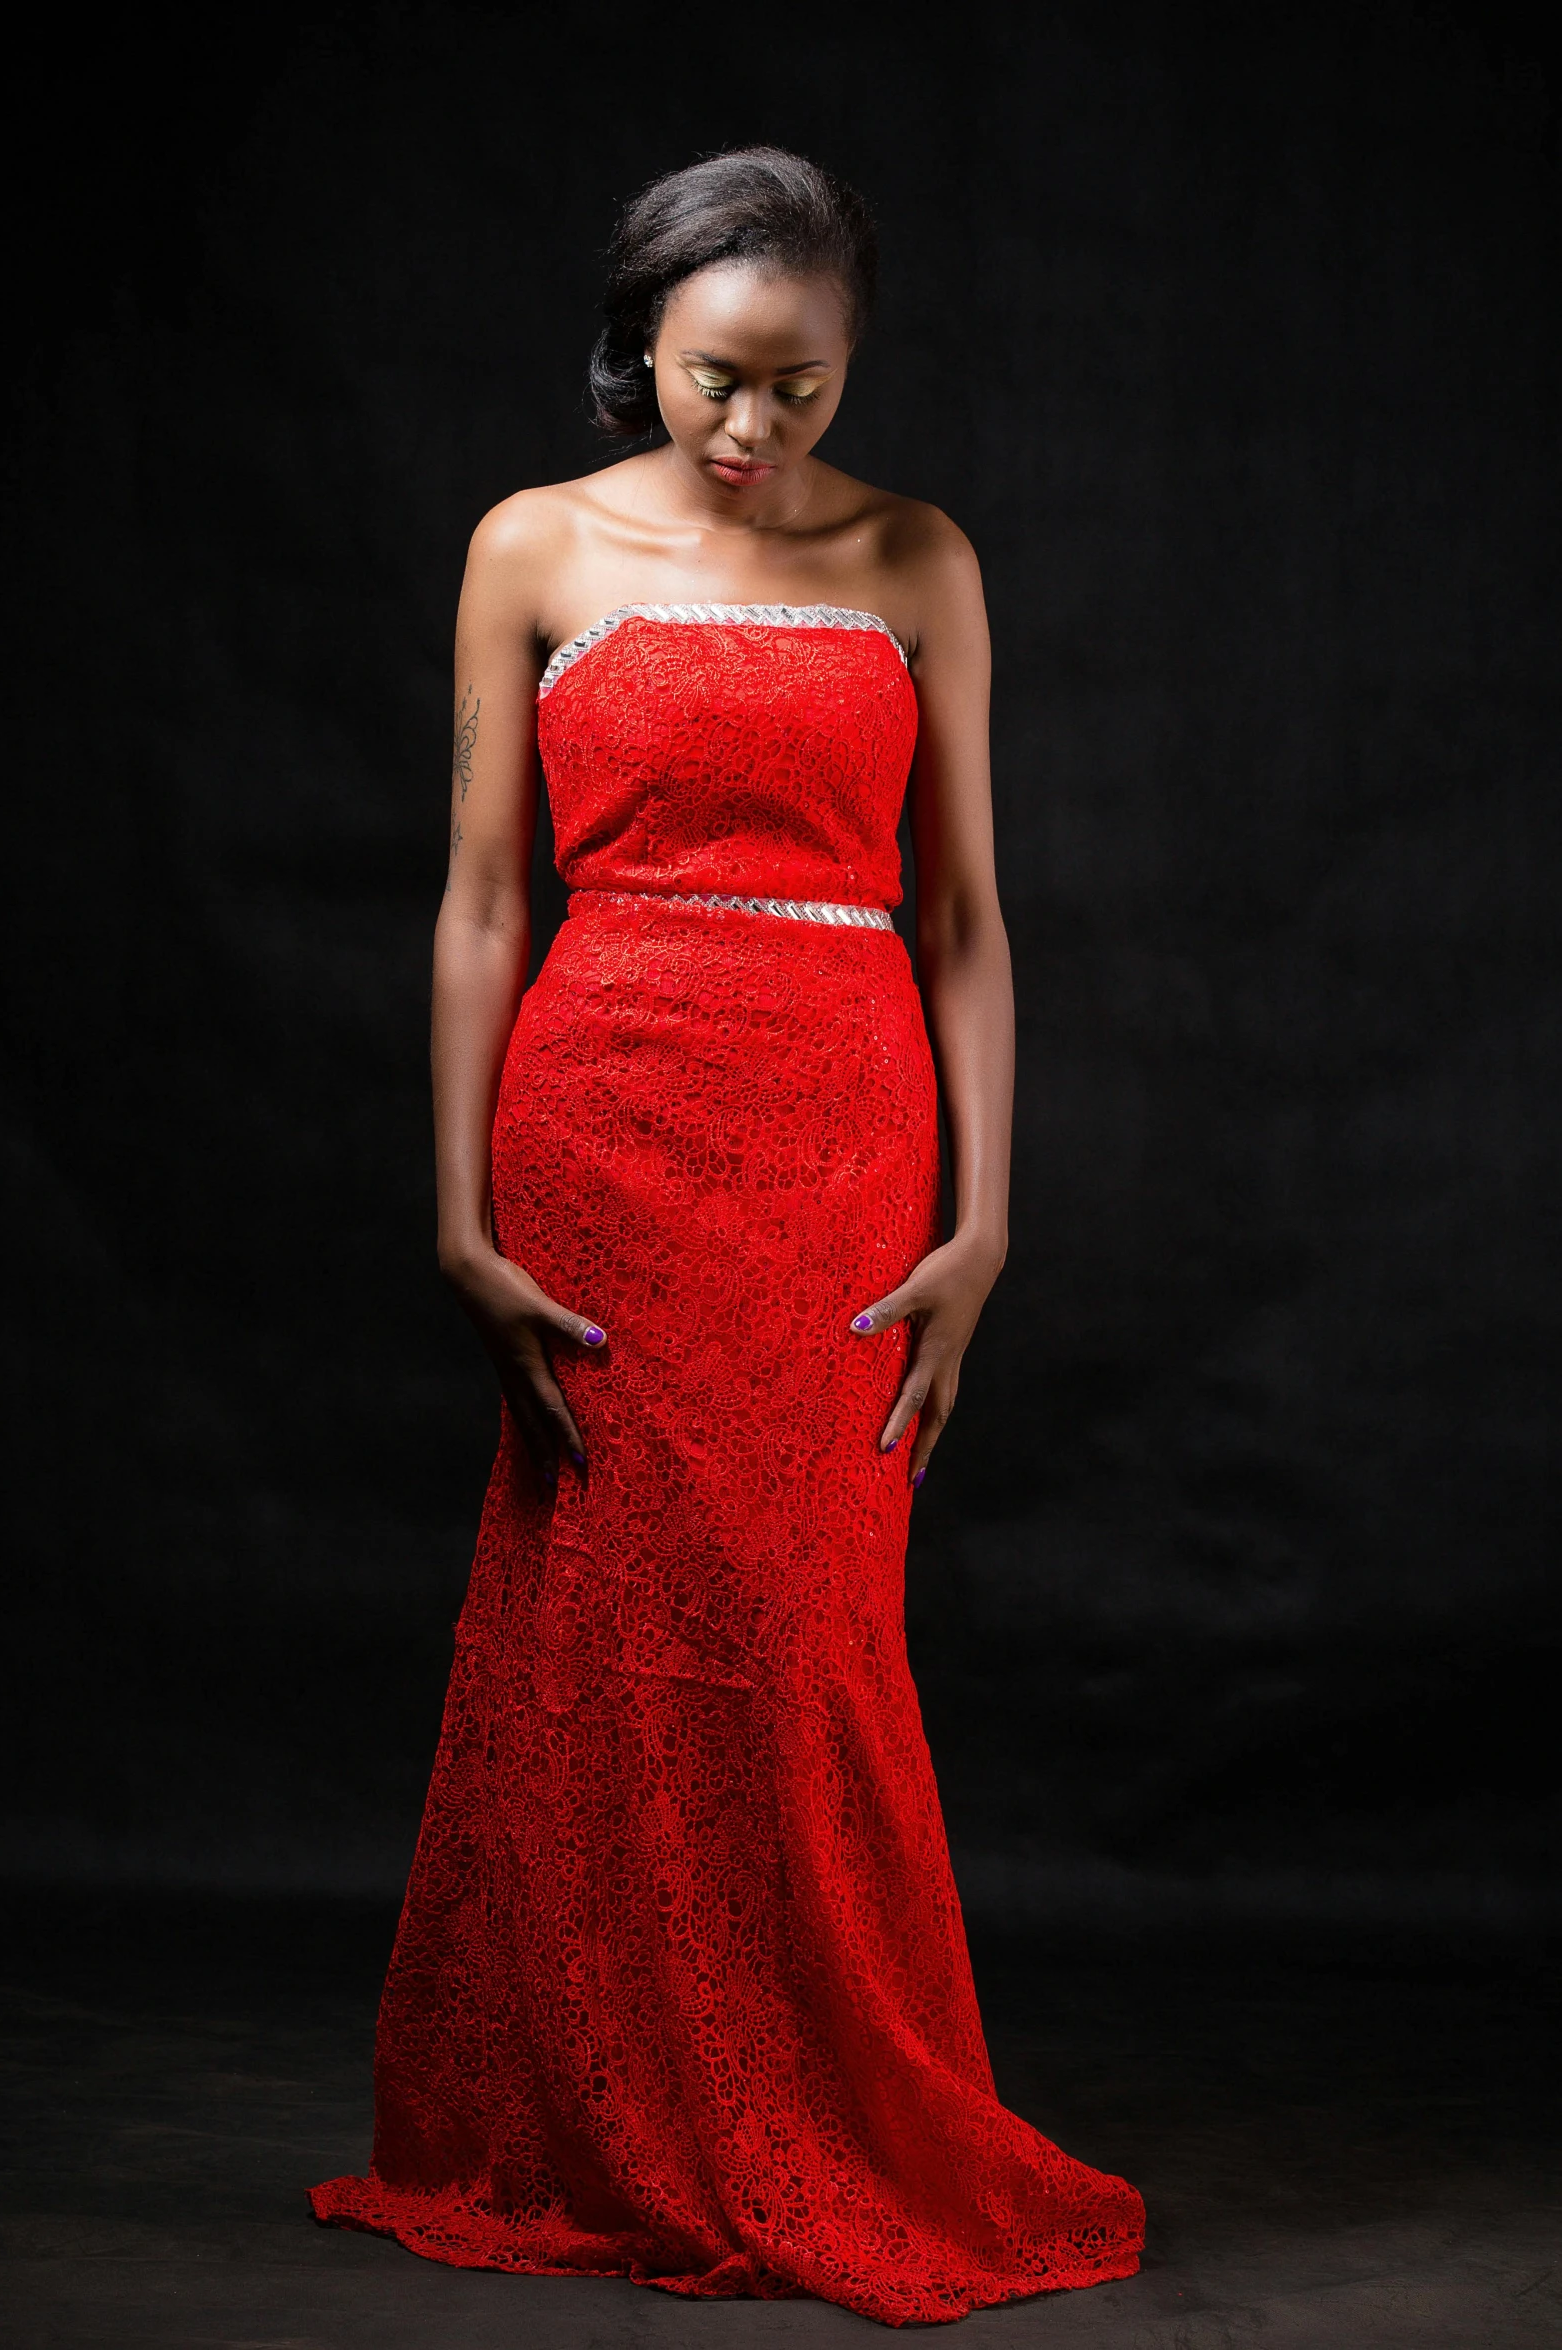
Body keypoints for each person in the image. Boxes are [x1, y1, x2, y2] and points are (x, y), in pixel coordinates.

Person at [310, 146, 1144, 2325]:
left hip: (839, 1126)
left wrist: (983, 1222)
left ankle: (814, 2106)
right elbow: (486, 895)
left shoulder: (919, 557)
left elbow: (964, 913)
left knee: (804, 1625)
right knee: (600, 1624)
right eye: (712, 380)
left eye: (800, 385)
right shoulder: (532, 546)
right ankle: (594, 2112)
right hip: (601, 1115)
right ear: (643, 348)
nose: (754, 432)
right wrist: (457, 1210)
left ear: (851, 365)